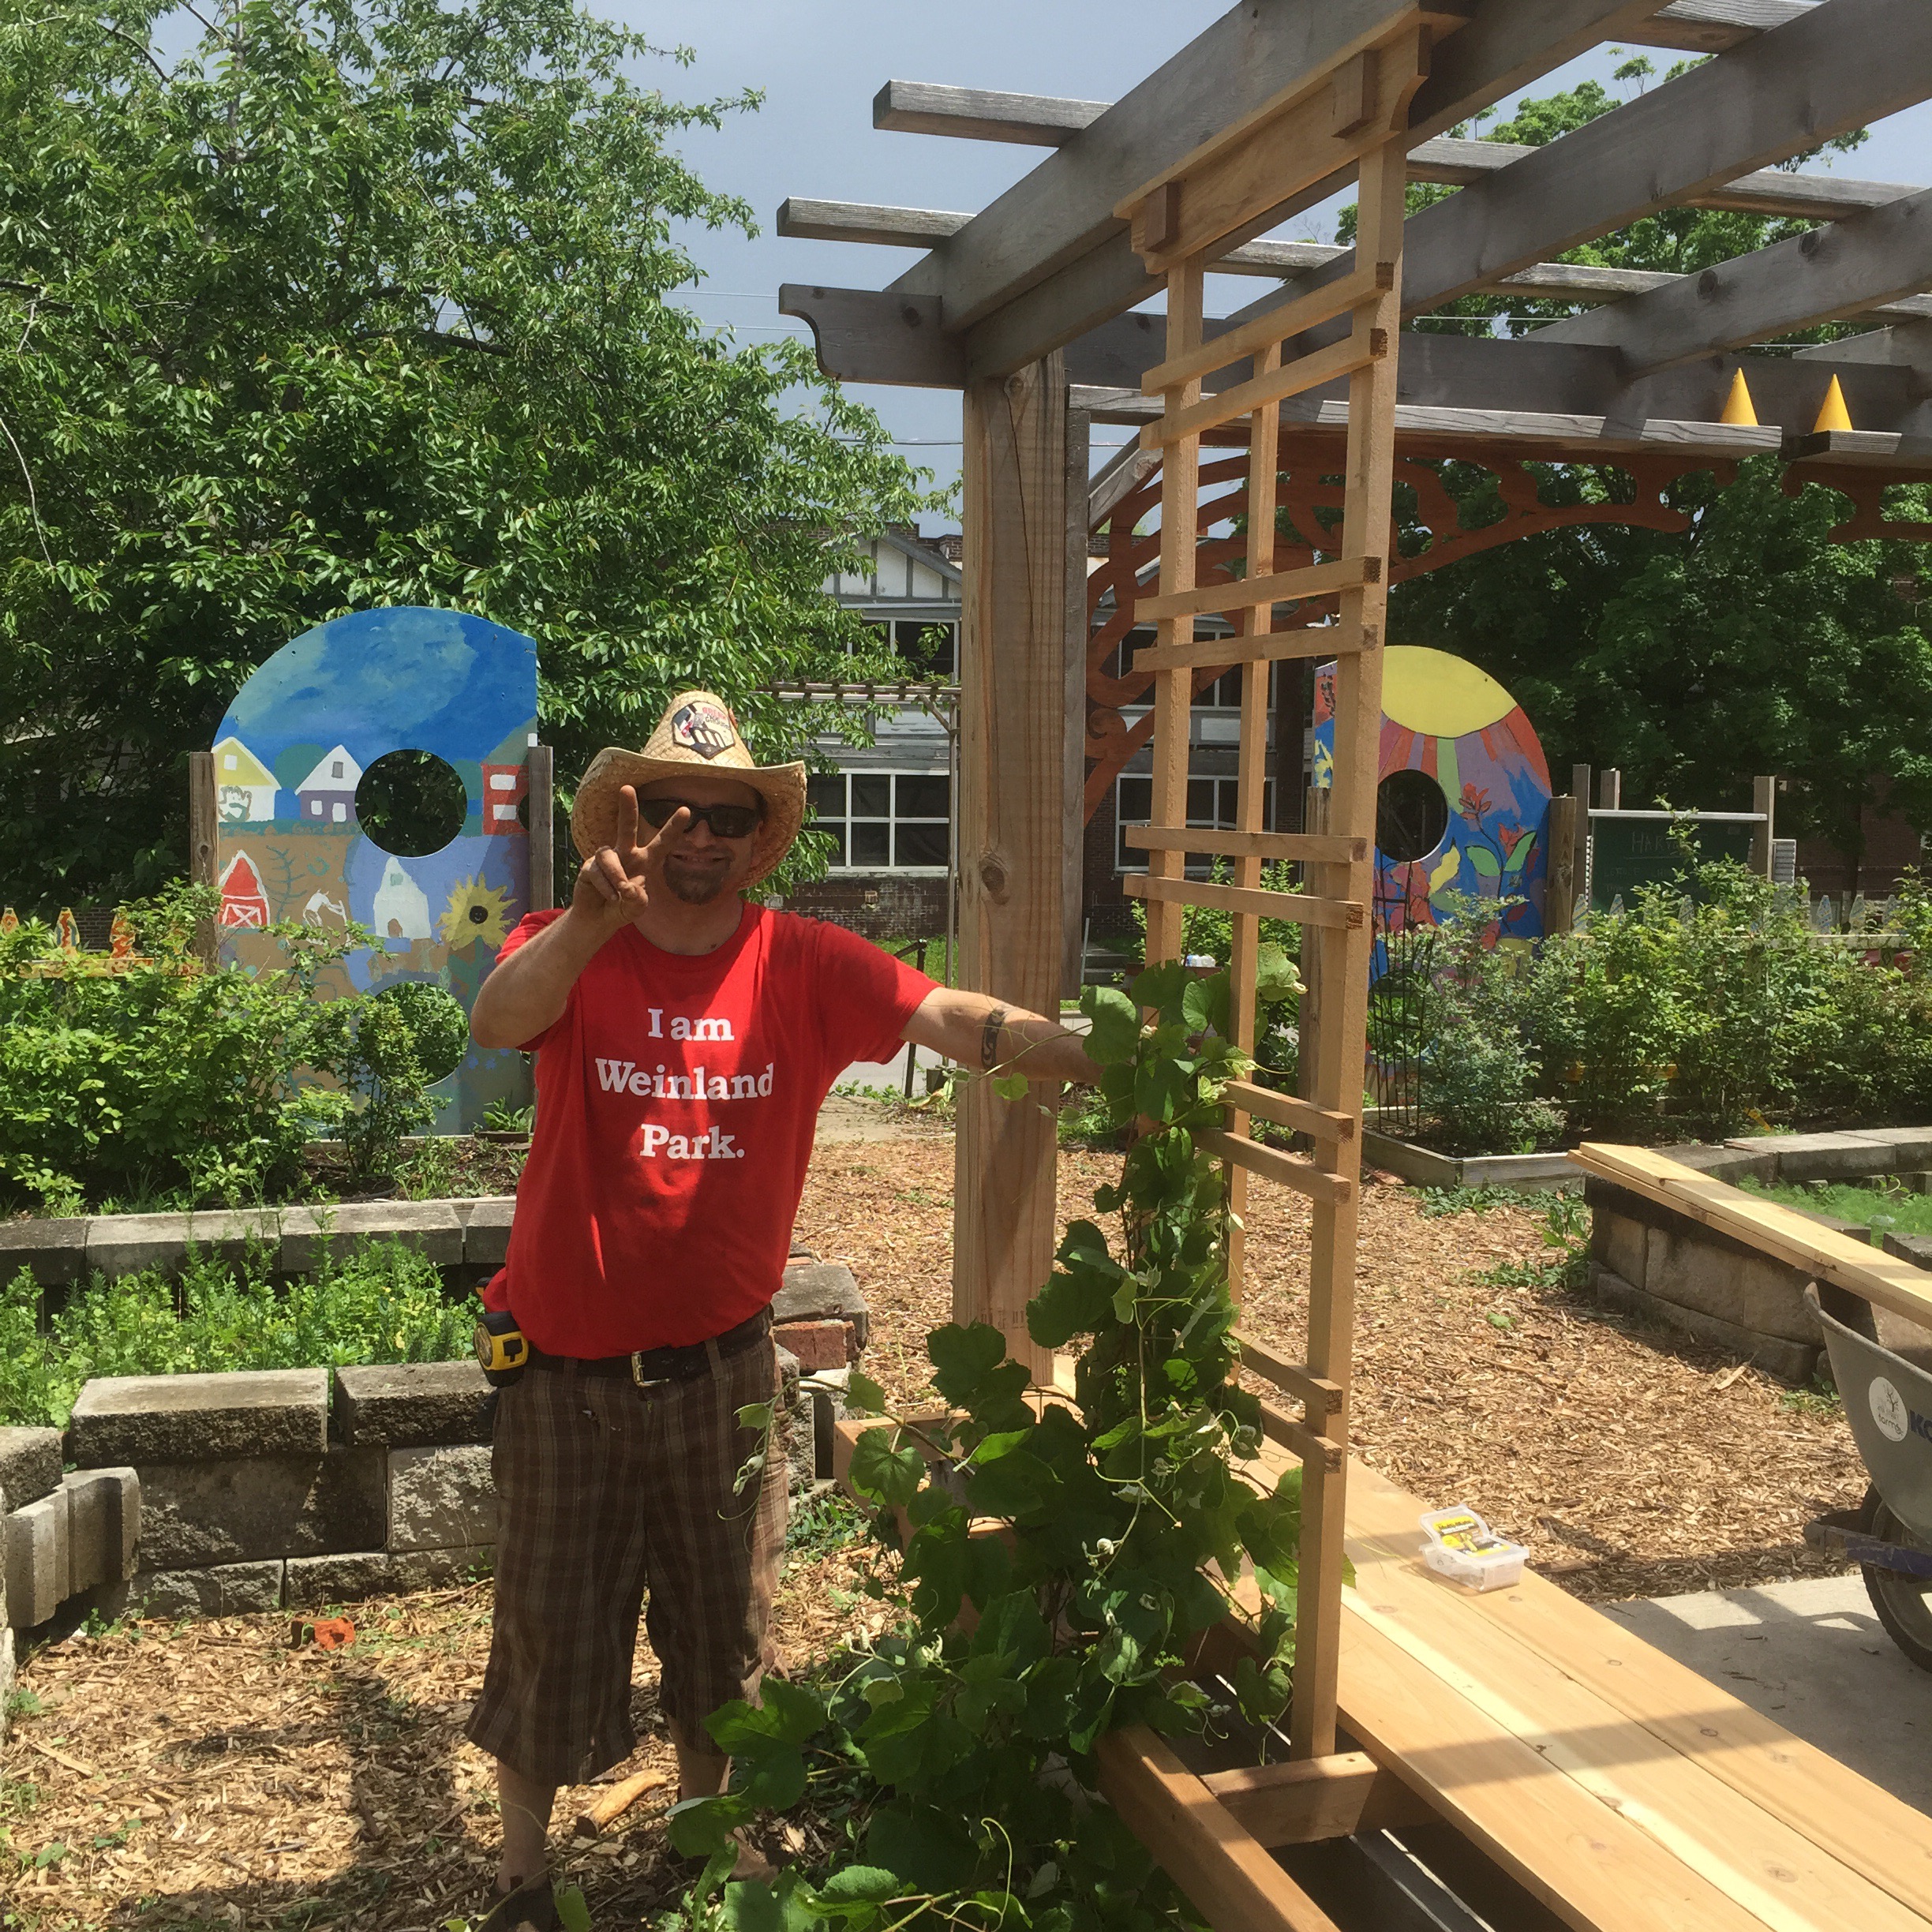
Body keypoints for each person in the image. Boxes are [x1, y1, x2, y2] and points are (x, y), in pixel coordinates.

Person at [462, 691, 1097, 1932]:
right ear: (631, 819)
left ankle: (707, 1843)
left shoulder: (801, 962)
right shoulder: (570, 940)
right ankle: (523, 1882)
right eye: (674, 808)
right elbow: (498, 1022)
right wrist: (590, 920)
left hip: (721, 1374)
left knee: (725, 1630)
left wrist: (1102, 1056)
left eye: (728, 815)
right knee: (546, 1630)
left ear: (760, 839)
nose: (699, 833)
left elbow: (951, 1019)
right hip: (565, 1376)